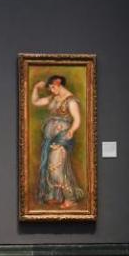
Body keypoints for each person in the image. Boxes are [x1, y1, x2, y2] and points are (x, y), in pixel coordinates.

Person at [31, 75, 85, 208]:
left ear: (58, 83)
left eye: (52, 87)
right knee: (51, 168)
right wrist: (35, 88)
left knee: (56, 170)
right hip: (50, 140)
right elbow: (35, 102)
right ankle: (54, 196)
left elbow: (77, 120)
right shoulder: (53, 98)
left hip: (62, 139)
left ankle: (71, 198)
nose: (51, 90)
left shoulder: (71, 101)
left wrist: (71, 131)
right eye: (49, 87)